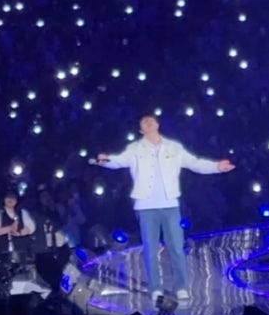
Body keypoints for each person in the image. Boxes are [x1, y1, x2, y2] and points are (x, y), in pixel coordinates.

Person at [95, 112, 235, 303]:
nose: (148, 122)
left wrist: (217, 166)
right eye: (144, 122)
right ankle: (155, 288)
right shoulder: (135, 149)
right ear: (140, 129)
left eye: (150, 120)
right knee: (151, 249)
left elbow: (194, 163)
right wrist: (106, 160)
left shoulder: (173, 147)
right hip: (146, 206)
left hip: (170, 205)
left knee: (176, 247)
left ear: (157, 124)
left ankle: (181, 287)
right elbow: (118, 160)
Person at [0, 189, 36, 258]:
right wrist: (10, 228)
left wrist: (21, 232)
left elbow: (32, 227)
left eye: (13, 197)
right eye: (8, 197)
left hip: (22, 251)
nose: (10, 199)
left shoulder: (22, 212)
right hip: (3, 252)